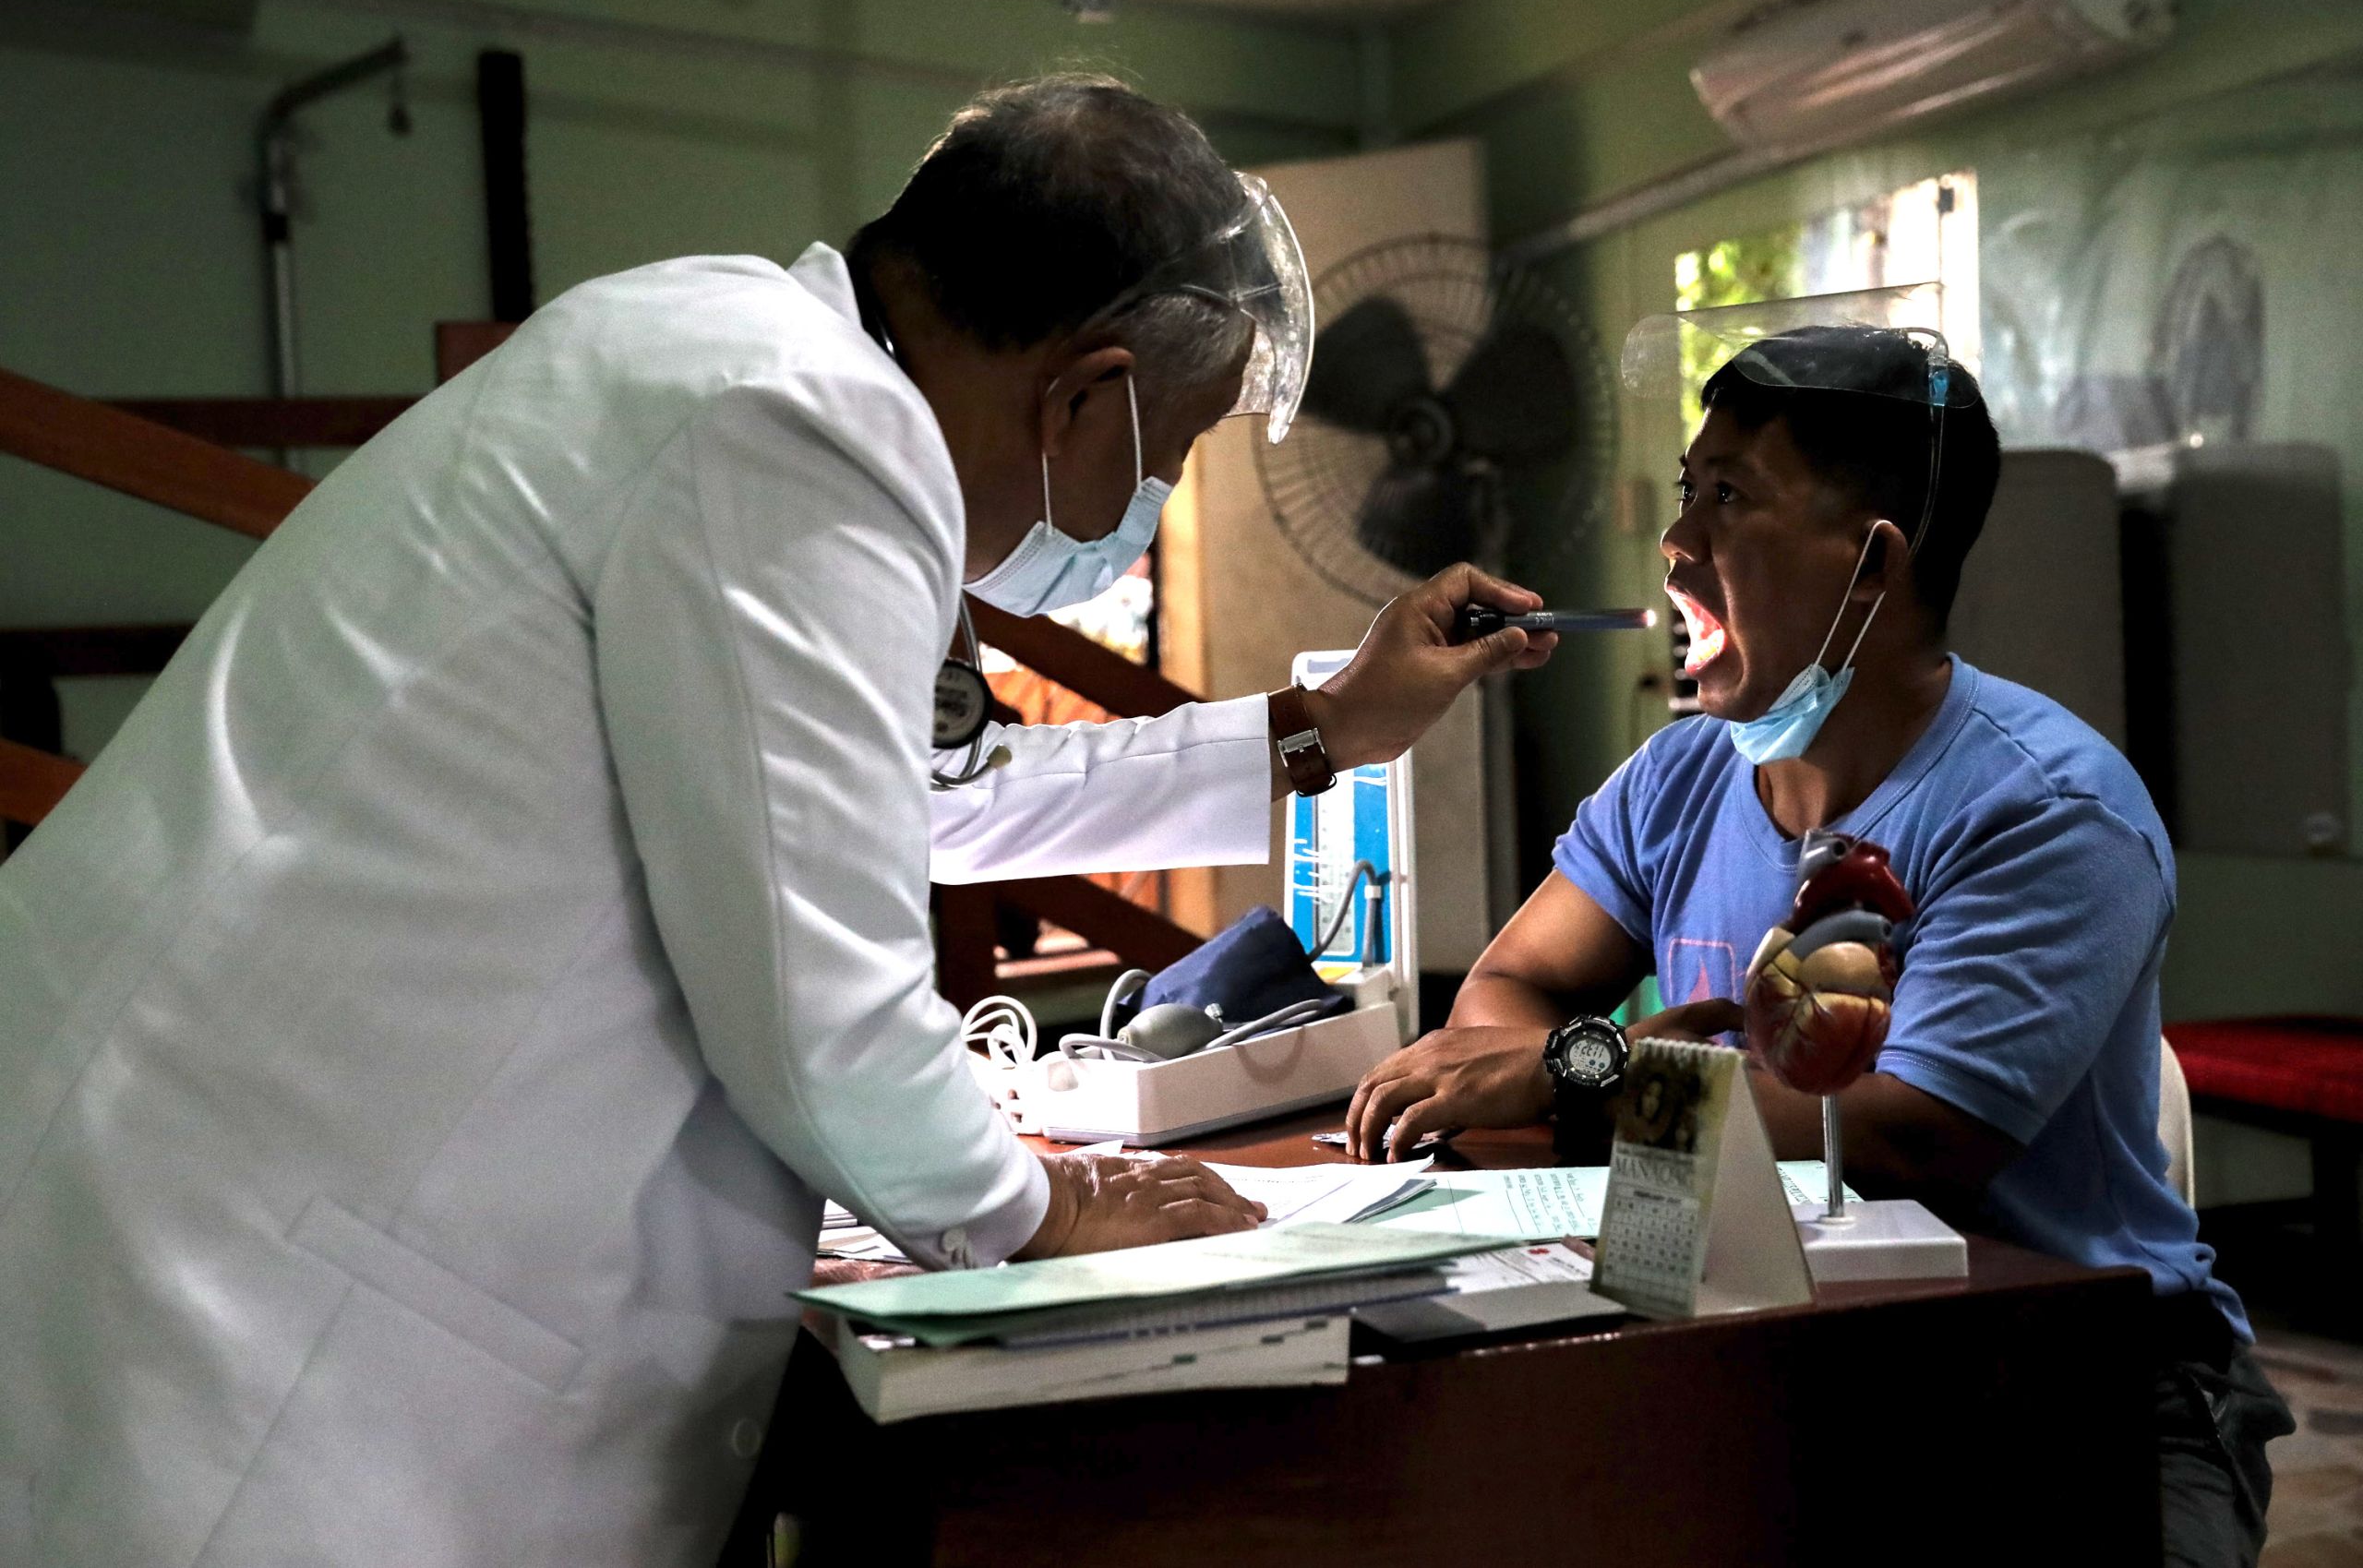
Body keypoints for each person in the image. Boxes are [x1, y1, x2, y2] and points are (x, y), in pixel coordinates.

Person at [0, 76, 1553, 1568]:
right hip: (260, 1333)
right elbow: (828, 1015)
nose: (1160, 493)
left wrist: (1322, 729)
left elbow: (914, 801)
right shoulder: (808, 428)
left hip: (212, 1228)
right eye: (1183, 446)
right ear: (1087, 393)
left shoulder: (710, 350)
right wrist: (1042, 1207)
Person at [1346, 327, 2292, 1565]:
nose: (1677, 542)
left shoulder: (2045, 813)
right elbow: (1505, 989)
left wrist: (1592, 1071)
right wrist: (1637, 1077)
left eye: (1729, 497)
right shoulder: (1677, 778)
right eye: (1688, 491)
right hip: (1769, 1351)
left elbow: (1906, 1135)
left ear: (1871, 564)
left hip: (2065, 1390)